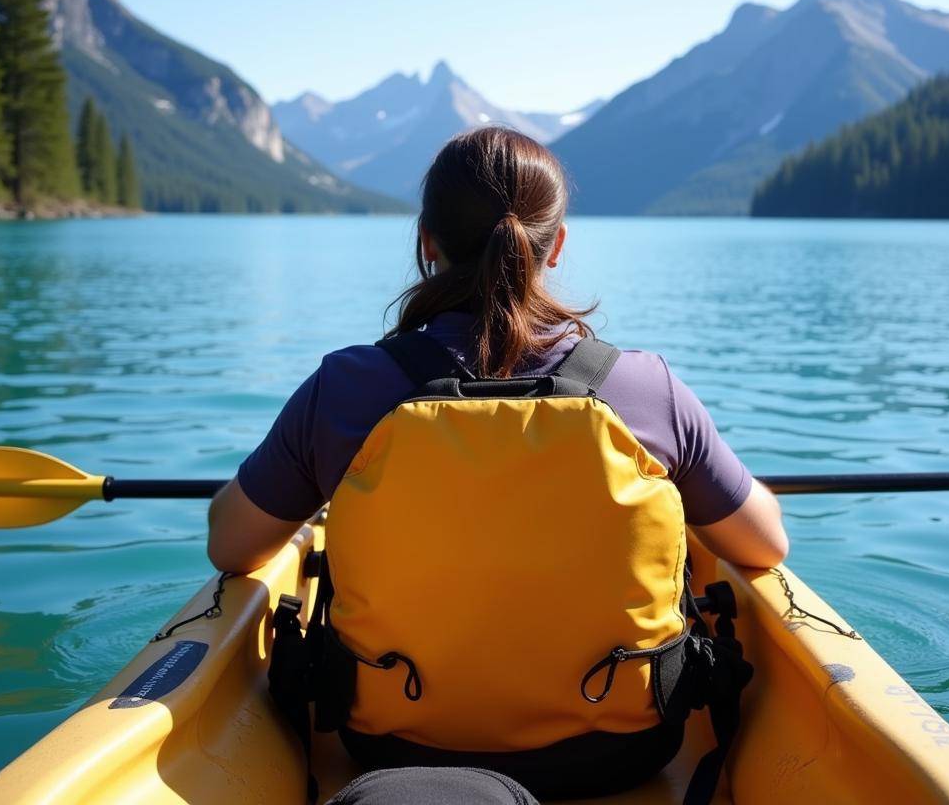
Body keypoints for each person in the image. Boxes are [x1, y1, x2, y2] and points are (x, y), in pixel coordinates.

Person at [207, 126, 788, 799]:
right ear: (557, 244)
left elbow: (230, 544)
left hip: (388, 745)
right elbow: (765, 543)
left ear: (427, 241)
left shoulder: (345, 388)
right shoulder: (647, 389)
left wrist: (306, 524)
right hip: (625, 752)